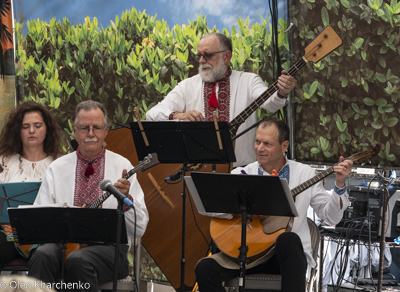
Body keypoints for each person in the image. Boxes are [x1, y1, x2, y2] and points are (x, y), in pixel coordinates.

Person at [195, 117, 353, 292]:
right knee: (204, 267)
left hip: (283, 257)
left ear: (284, 146)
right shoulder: (242, 173)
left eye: (267, 144)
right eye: (257, 142)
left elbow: (331, 216)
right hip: (247, 255)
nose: (260, 148)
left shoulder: (305, 174)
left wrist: (339, 186)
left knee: (289, 238)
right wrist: (242, 209)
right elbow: (213, 208)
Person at [28, 100, 149, 292]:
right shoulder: (57, 168)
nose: (91, 133)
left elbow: (139, 228)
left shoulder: (122, 166)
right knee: (42, 254)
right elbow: (39, 221)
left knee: (78, 259)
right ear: (74, 131)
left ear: (106, 130)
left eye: (97, 127)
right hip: (64, 246)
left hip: (110, 251)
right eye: (84, 127)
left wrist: (126, 202)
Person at [146, 32, 296, 167]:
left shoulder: (249, 81)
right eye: (199, 56)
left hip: (241, 172)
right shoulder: (187, 86)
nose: (202, 61)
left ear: (227, 56)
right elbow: (152, 113)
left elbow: (270, 103)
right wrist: (179, 115)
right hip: (197, 174)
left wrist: (281, 92)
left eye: (208, 55)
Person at [0, 101, 64, 270]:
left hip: (48, 237)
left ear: (47, 129)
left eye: (37, 125)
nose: (32, 131)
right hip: (8, 235)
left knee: (45, 257)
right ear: (17, 130)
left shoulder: (61, 163)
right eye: (25, 126)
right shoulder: (3, 162)